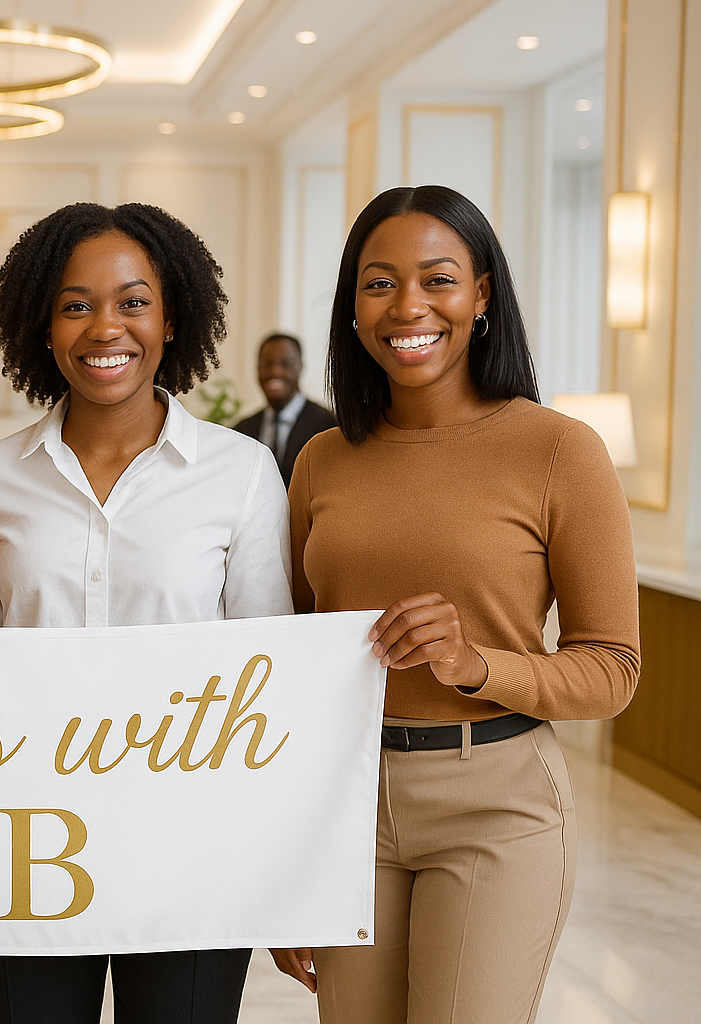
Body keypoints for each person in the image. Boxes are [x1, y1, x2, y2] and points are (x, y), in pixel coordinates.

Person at [269, 185, 640, 1022]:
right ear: (353, 307)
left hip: (497, 804)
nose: (408, 307)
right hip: (347, 806)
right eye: (379, 283)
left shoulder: (559, 450)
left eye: (438, 279)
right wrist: (287, 864)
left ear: (481, 295)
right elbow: (288, 665)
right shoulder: (322, 460)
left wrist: (478, 665)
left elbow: (613, 669)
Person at [0, 202, 292, 1024]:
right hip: (26, 847)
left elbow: (269, 682)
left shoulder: (240, 474)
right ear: (43, 327)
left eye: (134, 302)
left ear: (171, 321)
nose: (106, 328)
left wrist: (280, 872)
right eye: (76, 305)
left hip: (193, 850)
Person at [232, 332, 336, 486]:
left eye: (285, 364)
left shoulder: (328, 425)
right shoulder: (242, 430)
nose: (275, 371)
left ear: (300, 367)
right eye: (267, 364)